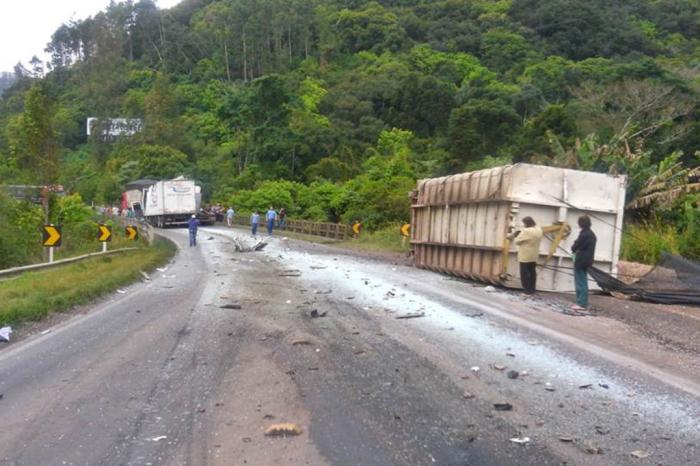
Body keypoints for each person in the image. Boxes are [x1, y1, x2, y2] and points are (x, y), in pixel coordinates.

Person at [508, 216, 543, 295]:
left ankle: (526, 291)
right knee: (532, 272)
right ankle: (532, 290)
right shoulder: (539, 230)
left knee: (524, 273)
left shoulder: (526, 231)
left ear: (526, 223)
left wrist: (517, 235)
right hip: (534, 255)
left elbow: (517, 241)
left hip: (525, 255)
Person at [571, 215, 597, 310]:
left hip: (580, 260)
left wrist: (574, 245)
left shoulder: (583, 234)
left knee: (580, 282)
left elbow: (574, 247)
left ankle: (581, 303)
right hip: (588, 260)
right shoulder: (592, 234)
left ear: (581, 223)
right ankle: (582, 302)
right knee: (583, 281)